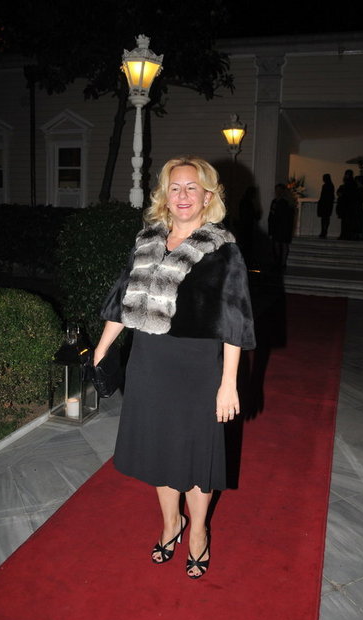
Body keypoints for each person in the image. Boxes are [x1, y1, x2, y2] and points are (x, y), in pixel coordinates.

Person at [94, 156, 255, 580]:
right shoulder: (147, 241)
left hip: (198, 367)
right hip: (149, 363)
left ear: (208, 195)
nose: (183, 195)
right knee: (160, 450)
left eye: (191, 187)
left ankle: (198, 531)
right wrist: (102, 348)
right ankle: (171, 524)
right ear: (164, 195)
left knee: (198, 455)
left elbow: (235, 320)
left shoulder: (222, 249)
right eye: (175, 187)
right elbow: (122, 299)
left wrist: (228, 383)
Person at [268, 183, 295, 271]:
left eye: (279, 190)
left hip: (284, 226)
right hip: (276, 226)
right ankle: (278, 261)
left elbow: (289, 217)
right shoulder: (275, 201)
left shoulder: (287, 202)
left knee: (283, 244)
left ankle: (282, 262)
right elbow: (271, 215)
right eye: (276, 190)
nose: (277, 192)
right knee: (276, 244)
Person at [336, 169, 358, 240]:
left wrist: (343, 194)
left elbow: (349, 195)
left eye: (347, 174)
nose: (346, 176)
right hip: (345, 206)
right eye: (346, 174)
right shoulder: (348, 184)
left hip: (349, 206)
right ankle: (344, 235)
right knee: (345, 222)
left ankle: (346, 235)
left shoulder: (352, 185)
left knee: (348, 222)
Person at [317, 174, 335, 238]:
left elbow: (323, 195)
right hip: (328, 204)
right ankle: (324, 231)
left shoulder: (325, 186)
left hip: (325, 204)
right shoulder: (331, 185)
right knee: (326, 218)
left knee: (324, 219)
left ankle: (323, 231)